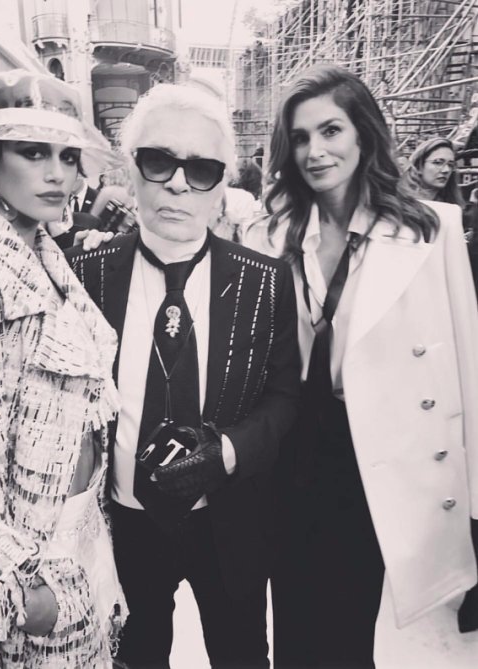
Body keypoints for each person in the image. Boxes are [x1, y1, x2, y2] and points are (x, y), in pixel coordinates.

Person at [244, 63, 478, 668]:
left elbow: (467, 360)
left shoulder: (432, 229)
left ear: (363, 135)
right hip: (289, 449)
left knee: (348, 629)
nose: (315, 151)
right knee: (291, 621)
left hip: (373, 456)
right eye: (300, 138)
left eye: (331, 131)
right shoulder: (270, 233)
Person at [67, 83, 300, 669]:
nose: (177, 183)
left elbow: (284, 395)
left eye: (200, 169)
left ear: (222, 185)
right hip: (122, 524)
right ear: (132, 167)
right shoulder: (82, 272)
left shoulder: (265, 280)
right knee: (138, 654)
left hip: (229, 521)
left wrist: (226, 451)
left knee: (241, 653)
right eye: (159, 161)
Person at [0, 69, 128, 668]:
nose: (57, 173)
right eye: (32, 151)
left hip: (80, 544)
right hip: (20, 579)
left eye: (68, 156)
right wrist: (16, 596)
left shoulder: (47, 256)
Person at [402, 137, 465, 207]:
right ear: (418, 166)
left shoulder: (453, 205)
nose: (446, 170)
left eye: (450, 165)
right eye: (438, 163)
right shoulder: (402, 203)